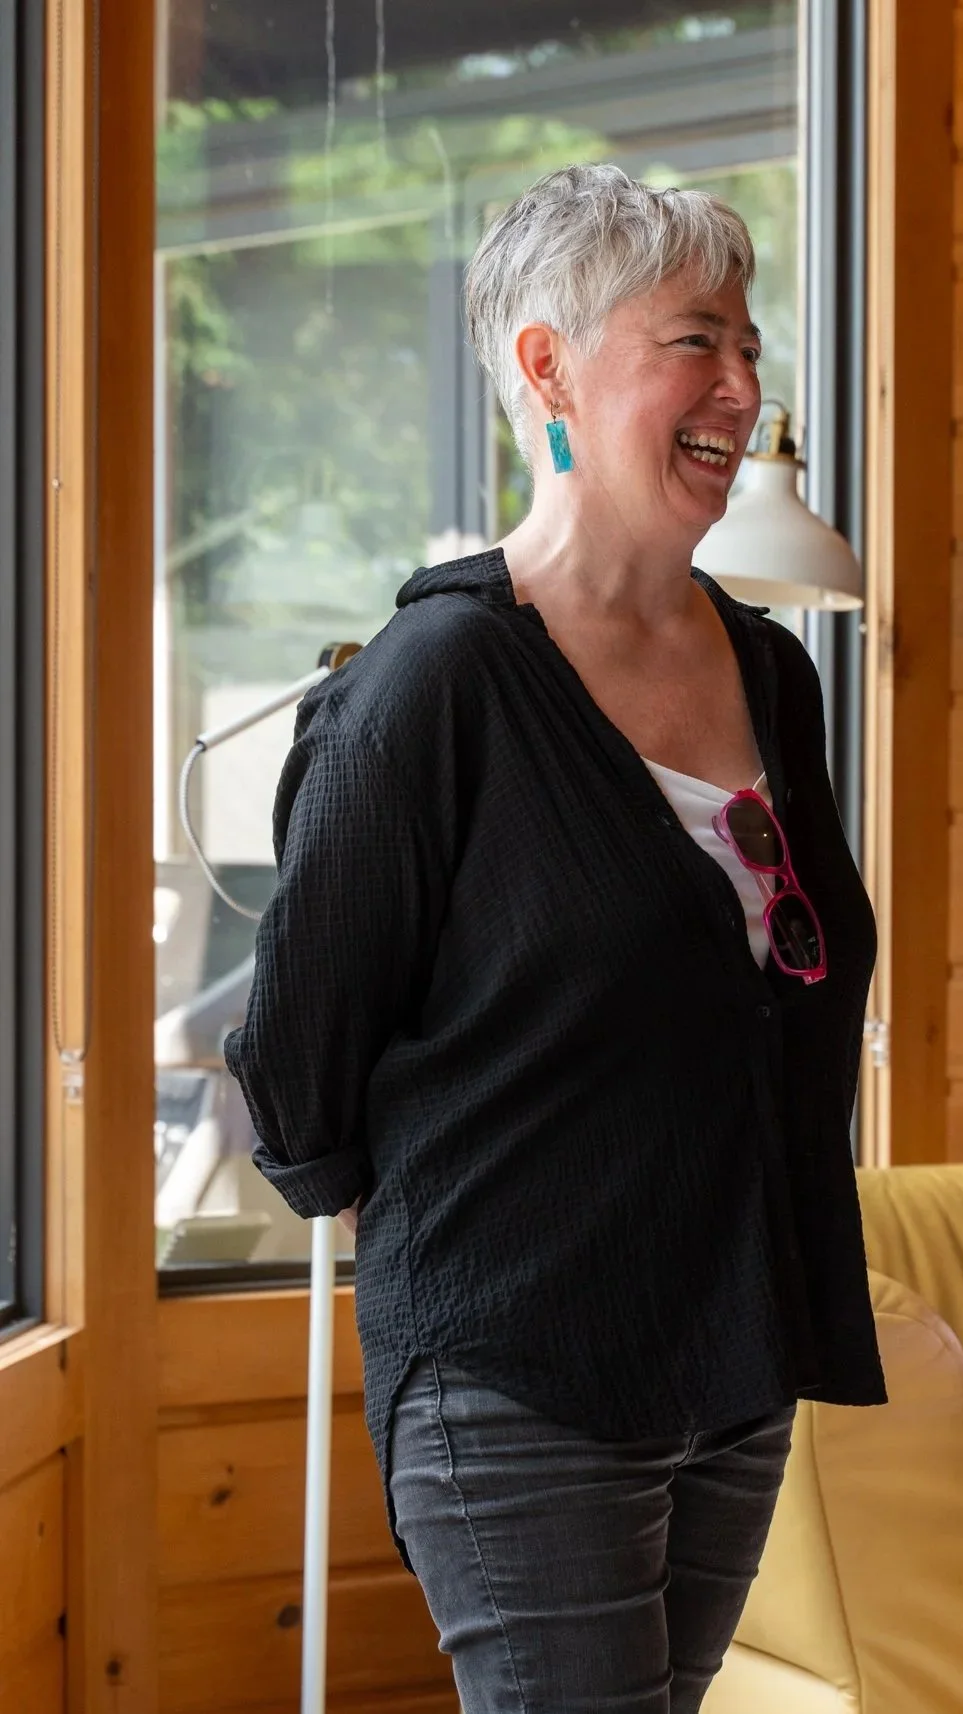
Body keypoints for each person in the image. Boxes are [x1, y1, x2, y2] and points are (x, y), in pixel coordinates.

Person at [224, 162, 886, 1714]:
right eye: (695, 341)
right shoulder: (432, 684)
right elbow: (297, 1066)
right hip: (519, 1365)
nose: (742, 385)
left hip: (733, 1352)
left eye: (750, 345)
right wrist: (507, 1207)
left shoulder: (771, 674)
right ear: (547, 367)